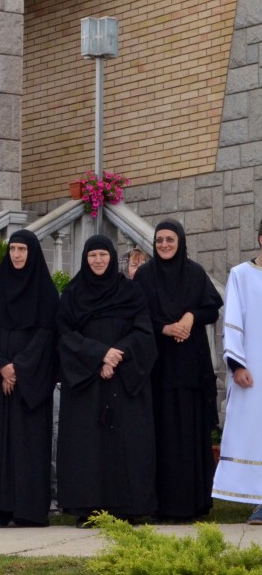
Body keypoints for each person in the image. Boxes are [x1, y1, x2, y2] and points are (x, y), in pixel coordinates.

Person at [56, 235, 157, 526]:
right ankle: (87, 508)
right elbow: (65, 335)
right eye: (92, 256)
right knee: (86, 447)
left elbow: (143, 331)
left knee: (128, 444)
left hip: (125, 380)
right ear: (85, 259)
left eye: (103, 255)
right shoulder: (73, 294)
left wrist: (116, 356)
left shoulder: (131, 292)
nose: (98, 260)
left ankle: (129, 507)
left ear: (112, 257)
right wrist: (99, 355)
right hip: (87, 382)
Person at [134, 220, 221, 521]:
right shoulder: (145, 276)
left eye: (170, 240)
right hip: (158, 367)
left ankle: (192, 504)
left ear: (180, 241)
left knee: (190, 432)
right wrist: (165, 328)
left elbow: (212, 307)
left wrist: (190, 317)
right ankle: (161, 505)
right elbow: (136, 315)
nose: (164, 245)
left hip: (191, 367)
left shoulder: (195, 273)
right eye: (159, 240)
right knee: (162, 434)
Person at [0, 230, 58, 527]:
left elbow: (46, 339)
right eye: (13, 249)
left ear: (32, 253)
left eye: (22, 249)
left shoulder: (45, 294)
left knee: (28, 446)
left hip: (29, 386)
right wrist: (0, 366)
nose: (17, 255)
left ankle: (27, 510)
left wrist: (18, 368)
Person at [213, 220, 262, 522]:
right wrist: (238, 364)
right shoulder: (241, 275)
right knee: (254, 433)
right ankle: (260, 499)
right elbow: (232, 321)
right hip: (253, 371)